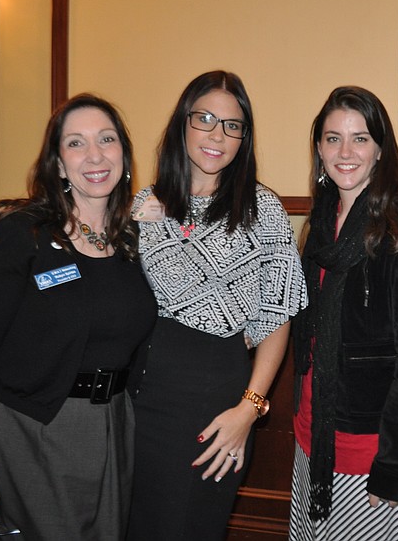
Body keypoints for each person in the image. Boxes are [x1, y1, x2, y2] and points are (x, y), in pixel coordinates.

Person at [0, 93, 157, 539]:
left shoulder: (135, 241)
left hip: (116, 424)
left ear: (123, 154)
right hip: (36, 426)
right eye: (76, 144)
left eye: (107, 140)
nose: (96, 155)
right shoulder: (23, 235)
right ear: (59, 165)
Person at [127, 70, 307, 540]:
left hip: (213, 396)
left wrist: (249, 409)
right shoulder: (144, 205)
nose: (216, 134)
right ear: (181, 124)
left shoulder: (262, 210)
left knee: (190, 526)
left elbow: (277, 317)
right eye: (204, 118)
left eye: (232, 125)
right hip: (138, 394)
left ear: (243, 138)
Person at [289, 86, 398, 541]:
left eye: (360, 138)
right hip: (315, 438)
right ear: (318, 148)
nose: (345, 152)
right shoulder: (321, 221)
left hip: (375, 451)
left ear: (381, 148)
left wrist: (394, 468)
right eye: (332, 138)